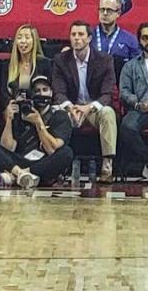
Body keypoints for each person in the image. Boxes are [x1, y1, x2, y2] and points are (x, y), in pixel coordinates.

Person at [0, 75, 74, 188]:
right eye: (37, 91)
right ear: (32, 95)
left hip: (43, 161)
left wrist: (39, 123)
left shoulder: (60, 116)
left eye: (45, 90)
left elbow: (51, 149)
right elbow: (7, 147)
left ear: (51, 93)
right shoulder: (22, 112)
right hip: (18, 160)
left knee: (67, 153)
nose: (41, 94)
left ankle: (18, 175)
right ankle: (21, 174)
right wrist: (8, 120)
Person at [51, 20, 117, 183]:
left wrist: (89, 107)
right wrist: (69, 106)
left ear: (89, 38)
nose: (76, 38)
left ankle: (107, 164)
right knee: (56, 112)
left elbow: (107, 93)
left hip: (94, 110)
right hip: (72, 110)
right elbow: (58, 91)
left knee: (108, 112)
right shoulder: (61, 60)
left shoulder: (104, 60)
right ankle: (55, 167)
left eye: (80, 35)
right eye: (73, 35)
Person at [119, 22, 148, 184]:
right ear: (139, 40)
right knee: (126, 126)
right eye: (145, 38)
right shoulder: (130, 66)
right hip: (140, 109)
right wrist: (139, 104)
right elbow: (124, 92)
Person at [95, 0, 140, 76]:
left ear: (118, 13)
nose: (105, 13)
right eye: (102, 9)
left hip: (120, 84)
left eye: (109, 10)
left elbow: (137, 70)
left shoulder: (131, 40)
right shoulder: (88, 36)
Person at [5, 24, 51, 100]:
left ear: (34, 41)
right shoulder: (8, 65)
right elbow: (4, 95)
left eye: (27, 37)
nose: (23, 41)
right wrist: (8, 108)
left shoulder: (45, 64)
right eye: (19, 38)